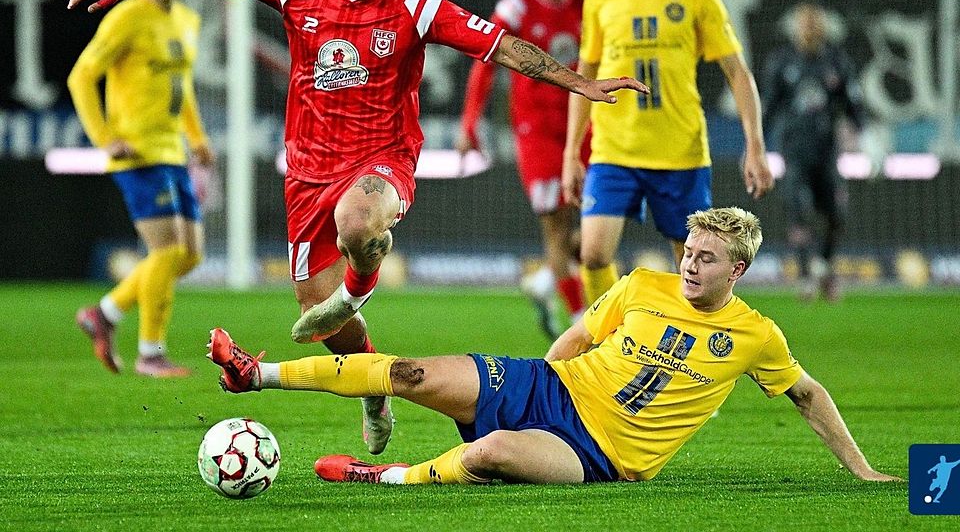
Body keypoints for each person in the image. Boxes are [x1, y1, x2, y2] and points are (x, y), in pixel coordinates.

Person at [69, 0, 646, 454]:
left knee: (357, 221)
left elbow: (504, 49)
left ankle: (356, 288)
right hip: (306, 174)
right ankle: (372, 391)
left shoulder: (415, 9)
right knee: (324, 327)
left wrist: (583, 85)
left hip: (381, 163)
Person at [207, 206, 899, 485]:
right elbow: (576, 335)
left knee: (489, 452)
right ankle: (255, 374)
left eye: (707, 259)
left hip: (602, 454)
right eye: (688, 253)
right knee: (410, 373)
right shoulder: (643, 285)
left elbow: (808, 396)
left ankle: (383, 476)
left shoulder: (755, 336)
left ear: (737, 271)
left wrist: (864, 472)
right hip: (551, 389)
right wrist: (532, 386)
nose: (690, 266)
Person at [562, 0, 774, 308]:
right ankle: (615, 339)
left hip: (679, 152)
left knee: (691, 269)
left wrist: (756, 145)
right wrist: (572, 151)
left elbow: (736, 72)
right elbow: (584, 78)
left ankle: (686, 353)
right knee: (592, 254)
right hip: (614, 150)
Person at [68, 0, 214, 378]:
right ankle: (150, 354)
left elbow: (180, 84)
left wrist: (197, 135)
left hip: (172, 150)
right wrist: (105, 137)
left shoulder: (187, 20)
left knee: (189, 256)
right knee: (167, 250)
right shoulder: (127, 17)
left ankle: (106, 313)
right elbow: (82, 76)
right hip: (137, 151)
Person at [455, 0, 587, 339]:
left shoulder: (588, 5)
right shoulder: (516, 8)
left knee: (589, 231)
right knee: (556, 227)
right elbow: (485, 59)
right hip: (537, 132)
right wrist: (470, 121)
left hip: (584, 129)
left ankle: (547, 282)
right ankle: (583, 321)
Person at [761, 2, 867, 302]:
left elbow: (853, 103)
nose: (808, 30)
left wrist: (864, 134)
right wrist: (755, 146)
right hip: (794, 151)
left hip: (827, 151)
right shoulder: (781, 62)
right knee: (798, 212)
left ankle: (825, 266)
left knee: (836, 214)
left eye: (813, 24)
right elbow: (768, 108)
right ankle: (807, 276)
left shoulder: (836, 62)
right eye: (803, 24)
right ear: (795, 28)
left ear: (821, 28)